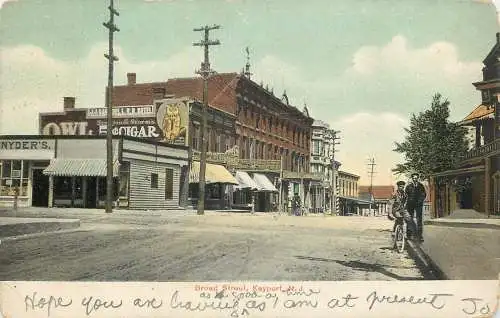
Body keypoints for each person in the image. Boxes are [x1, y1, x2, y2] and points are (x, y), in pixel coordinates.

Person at [405, 173, 426, 242]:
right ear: (412, 178)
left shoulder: (421, 186)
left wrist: (420, 201)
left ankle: (419, 236)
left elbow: (423, 195)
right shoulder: (408, 186)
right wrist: (409, 202)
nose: (415, 179)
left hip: (418, 205)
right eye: (413, 178)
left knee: (419, 220)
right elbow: (406, 195)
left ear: (418, 178)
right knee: (409, 219)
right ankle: (409, 234)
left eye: (416, 178)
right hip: (410, 205)